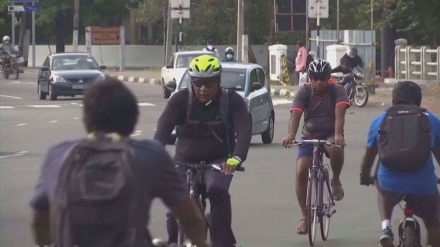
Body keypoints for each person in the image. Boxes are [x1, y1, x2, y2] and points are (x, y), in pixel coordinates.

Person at [29, 77, 209, 247]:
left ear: (86, 120)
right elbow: (189, 217)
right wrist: (199, 242)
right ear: (133, 121)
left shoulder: (58, 154)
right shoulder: (150, 154)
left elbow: (40, 221)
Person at [154, 54, 252, 247]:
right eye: (198, 84)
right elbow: (163, 128)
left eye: (209, 84)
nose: (203, 89)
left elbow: (244, 130)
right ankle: (174, 241)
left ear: (218, 82)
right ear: (192, 82)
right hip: (183, 160)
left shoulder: (231, 101)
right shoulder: (180, 100)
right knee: (176, 203)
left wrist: (237, 158)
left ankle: (224, 242)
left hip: (220, 161)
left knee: (217, 191)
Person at [360, 80, 440, 247]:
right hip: (423, 186)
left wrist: (365, 176)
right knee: (434, 222)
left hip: (390, 184)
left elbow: (368, 158)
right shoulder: (432, 120)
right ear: (419, 101)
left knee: (380, 183)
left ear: (393, 100)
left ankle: (386, 228)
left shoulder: (379, 120)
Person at [282, 59, 350, 234]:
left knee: (335, 148)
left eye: (322, 78)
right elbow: (296, 114)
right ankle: (306, 217)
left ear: (329, 77)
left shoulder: (338, 90)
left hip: (330, 133)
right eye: (315, 78)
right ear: (309, 78)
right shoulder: (304, 91)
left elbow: (339, 115)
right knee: (301, 170)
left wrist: (337, 135)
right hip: (310, 134)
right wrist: (291, 134)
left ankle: (335, 180)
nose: (319, 82)